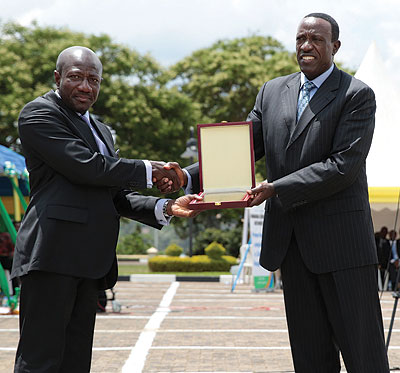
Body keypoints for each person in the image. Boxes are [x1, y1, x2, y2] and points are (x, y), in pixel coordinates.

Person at [177, 12, 389, 373]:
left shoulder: (356, 95)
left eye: (317, 40)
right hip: (291, 247)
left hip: (343, 250)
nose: (306, 46)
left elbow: (342, 167)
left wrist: (274, 188)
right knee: (310, 359)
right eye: (300, 39)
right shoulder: (272, 91)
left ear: (335, 47)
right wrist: (186, 178)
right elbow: (241, 150)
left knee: (364, 356)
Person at [11, 46, 200, 373]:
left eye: (93, 80)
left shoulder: (101, 129)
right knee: (39, 361)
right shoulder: (39, 114)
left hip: (89, 262)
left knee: (76, 361)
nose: (86, 86)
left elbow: (112, 194)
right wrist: (148, 170)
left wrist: (166, 205)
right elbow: (87, 167)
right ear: (58, 78)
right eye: (76, 77)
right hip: (51, 256)